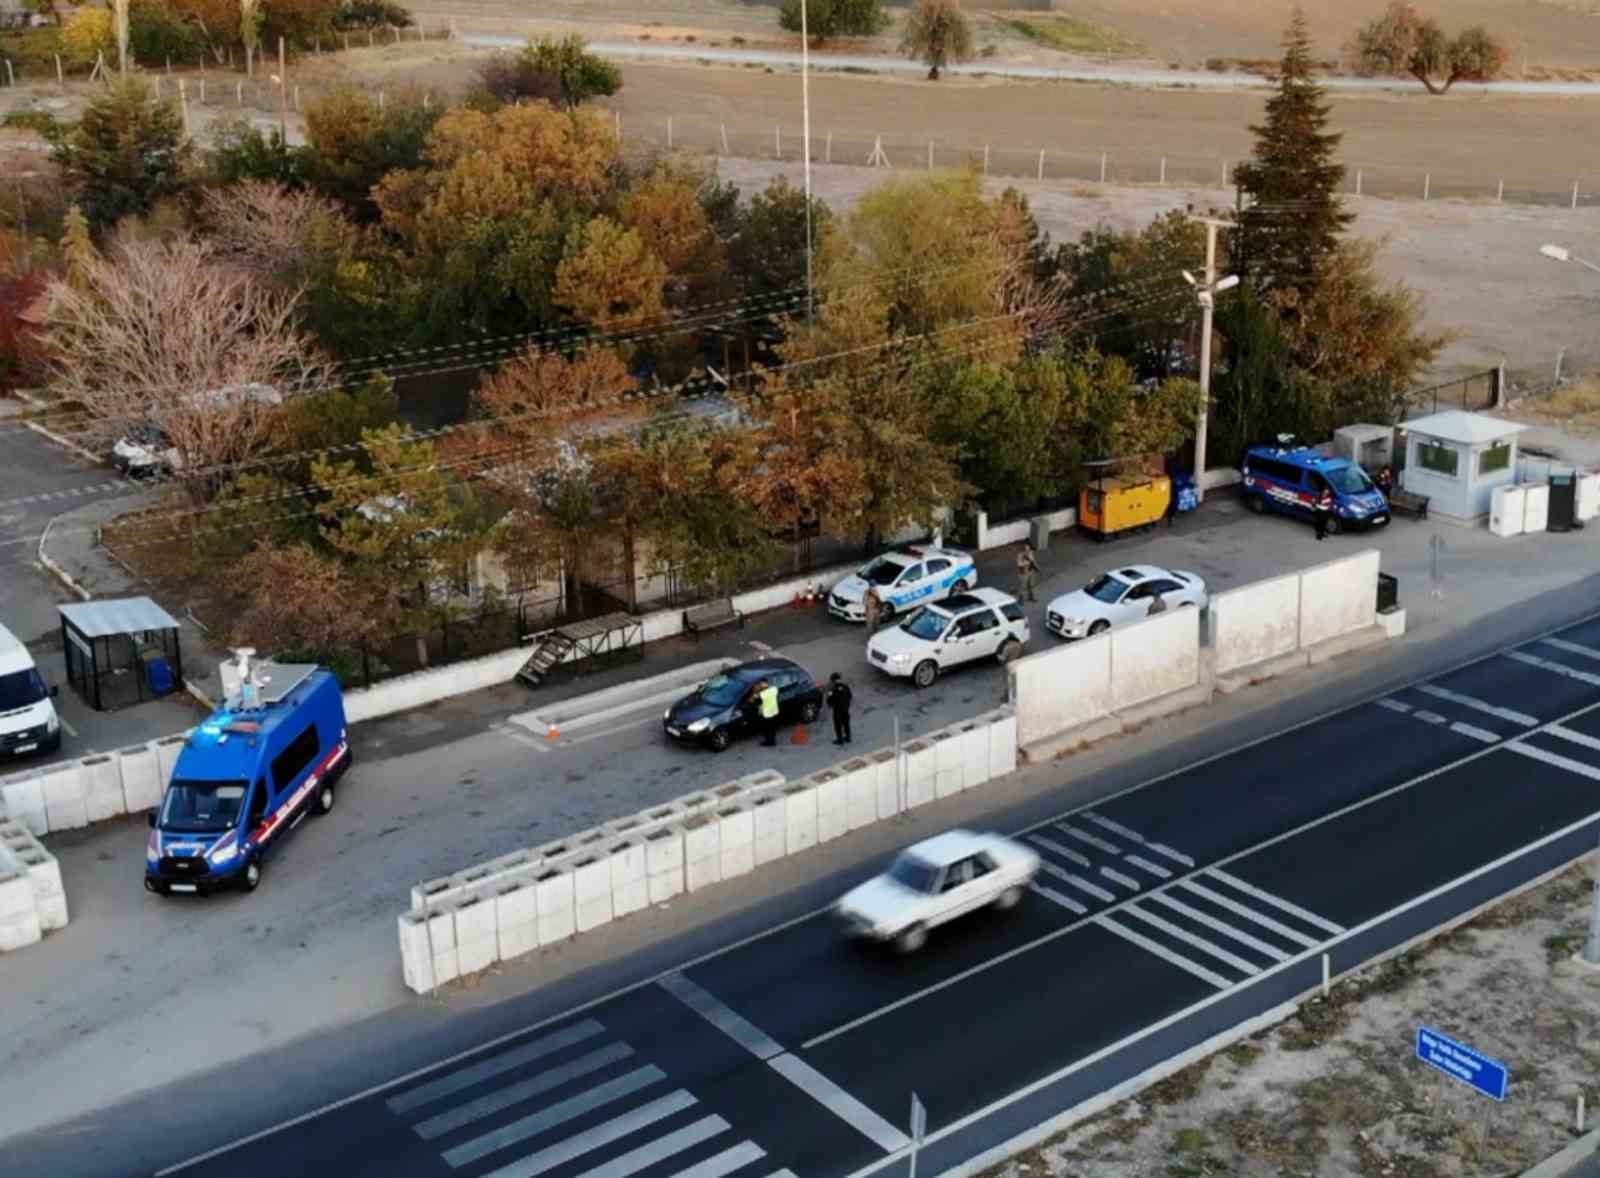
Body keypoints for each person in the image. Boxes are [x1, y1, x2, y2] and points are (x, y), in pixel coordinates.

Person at [826, 672, 853, 746]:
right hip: (845, 709)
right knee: (846, 723)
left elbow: (829, 700)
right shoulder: (845, 686)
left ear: (833, 680)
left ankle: (840, 740)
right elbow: (850, 696)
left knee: (838, 725)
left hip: (837, 710)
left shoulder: (832, 689)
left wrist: (831, 705)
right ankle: (848, 737)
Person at [756, 679, 781, 747]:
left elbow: (757, 699)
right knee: (772, 727)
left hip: (767, 713)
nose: (761, 685)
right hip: (774, 711)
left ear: (764, 684)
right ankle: (773, 740)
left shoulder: (762, 694)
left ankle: (768, 742)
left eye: (761, 684)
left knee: (767, 728)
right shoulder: (774, 689)